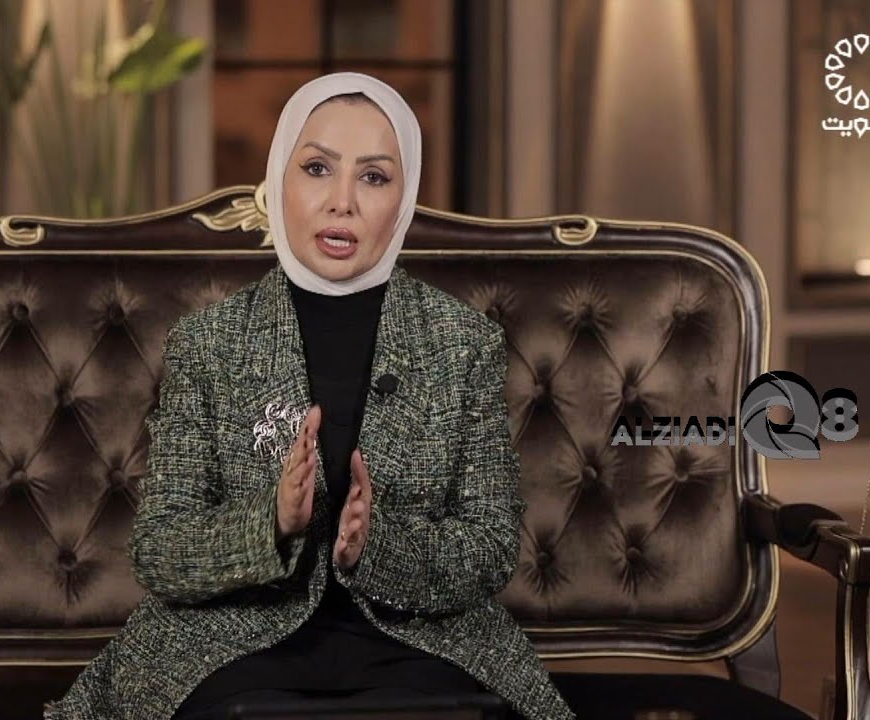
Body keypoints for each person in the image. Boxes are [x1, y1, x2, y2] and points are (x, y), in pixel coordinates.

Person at [44, 72, 574, 720]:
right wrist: (271, 521)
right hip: (232, 642)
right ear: (278, 181)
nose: (342, 202)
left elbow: (490, 548)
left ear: (403, 199)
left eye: (373, 177)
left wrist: (375, 543)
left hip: (417, 642)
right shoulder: (210, 343)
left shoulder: (463, 343)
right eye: (318, 168)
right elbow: (160, 551)